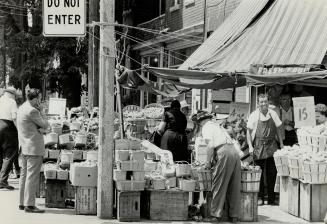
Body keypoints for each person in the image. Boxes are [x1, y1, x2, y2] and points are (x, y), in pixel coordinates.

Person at [192, 110, 240, 223]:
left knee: (219, 183)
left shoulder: (206, 127)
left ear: (200, 122)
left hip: (224, 152)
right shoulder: (217, 126)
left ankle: (215, 215)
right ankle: (234, 216)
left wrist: (208, 162)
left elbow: (210, 146)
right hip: (234, 152)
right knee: (234, 185)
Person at [247, 94, 283, 206]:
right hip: (258, 146)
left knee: (272, 173)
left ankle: (272, 198)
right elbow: (248, 132)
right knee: (259, 173)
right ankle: (260, 197)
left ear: (268, 102)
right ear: (258, 103)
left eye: (265, 101)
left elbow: (278, 130)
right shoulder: (253, 115)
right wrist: (250, 146)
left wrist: (281, 144)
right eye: (261, 102)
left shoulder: (273, 113)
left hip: (272, 145)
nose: (264, 104)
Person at [17, 88, 49, 213]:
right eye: (39, 98)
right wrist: (42, 110)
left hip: (24, 146)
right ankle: (29, 205)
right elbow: (45, 124)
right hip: (33, 148)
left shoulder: (22, 107)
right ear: (35, 99)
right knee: (32, 177)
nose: (40, 101)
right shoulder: (33, 111)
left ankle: (22, 202)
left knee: (24, 176)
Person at [0, 87, 19, 190]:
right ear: (12, 94)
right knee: (10, 153)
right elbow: (14, 118)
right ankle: (2, 181)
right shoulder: (12, 102)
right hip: (7, 127)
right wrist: (19, 131)